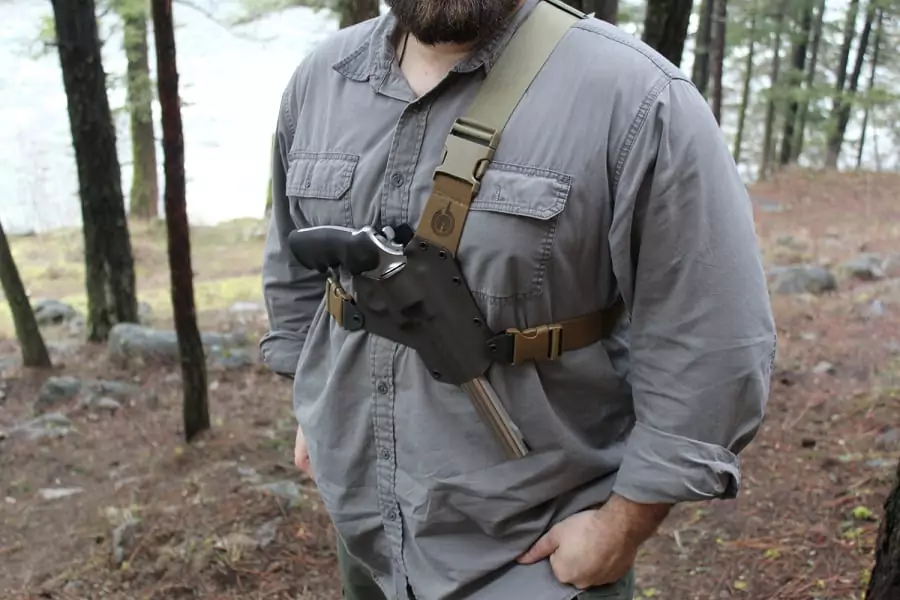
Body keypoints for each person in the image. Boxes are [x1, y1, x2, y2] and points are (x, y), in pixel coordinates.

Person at [259, 0, 777, 598]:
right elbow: (293, 260)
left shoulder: (635, 96)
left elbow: (714, 337)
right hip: (366, 524)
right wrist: (310, 397)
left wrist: (625, 522)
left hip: (533, 553)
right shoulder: (320, 81)